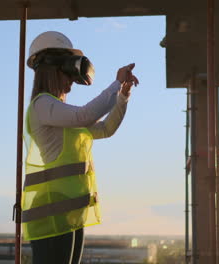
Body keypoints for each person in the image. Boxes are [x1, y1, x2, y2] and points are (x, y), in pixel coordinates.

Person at [21, 31, 139, 264]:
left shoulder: (61, 114)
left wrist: (123, 97)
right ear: (53, 70)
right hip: (51, 209)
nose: (71, 84)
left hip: (68, 209)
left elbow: (105, 129)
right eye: (68, 76)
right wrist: (115, 83)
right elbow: (85, 116)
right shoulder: (43, 106)